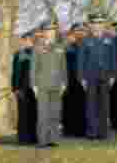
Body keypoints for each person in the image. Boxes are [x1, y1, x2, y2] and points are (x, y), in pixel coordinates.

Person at [78, 12, 117, 140]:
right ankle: (92, 132)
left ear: (103, 24)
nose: (97, 25)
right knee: (91, 105)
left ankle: (104, 132)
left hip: (106, 76)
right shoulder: (85, 40)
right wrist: (81, 78)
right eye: (95, 23)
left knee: (105, 105)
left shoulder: (110, 39)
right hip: (90, 76)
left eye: (100, 23)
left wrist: (113, 75)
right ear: (90, 25)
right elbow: (81, 61)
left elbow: (113, 58)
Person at [31, 18, 67, 148]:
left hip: (57, 84)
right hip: (42, 85)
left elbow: (63, 66)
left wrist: (64, 82)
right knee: (42, 113)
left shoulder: (59, 47)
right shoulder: (38, 47)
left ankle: (54, 139)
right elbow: (33, 67)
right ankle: (42, 140)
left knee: (55, 112)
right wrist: (33, 85)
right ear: (43, 32)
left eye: (52, 30)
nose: (50, 33)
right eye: (47, 30)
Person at [13, 31, 37, 145]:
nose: (26, 42)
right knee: (22, 114)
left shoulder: (37, 53)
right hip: (21, 88)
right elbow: (15, 72)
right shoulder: (18, 54)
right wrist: (15, 88)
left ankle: (34, 137)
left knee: (34, 113)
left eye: (28, 40)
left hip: (35, 88)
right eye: (24, 40)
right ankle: (23, 138)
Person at [62, 24, 86, 137]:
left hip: (83, 79)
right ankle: (69, 129)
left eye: (81, 31)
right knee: (69, 105)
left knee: (83, 105)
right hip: (69, 79)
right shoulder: (67, 46)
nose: (79, 33)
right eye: (77, 31)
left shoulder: (86, 45)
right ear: (72, 32)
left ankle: (81, 129)